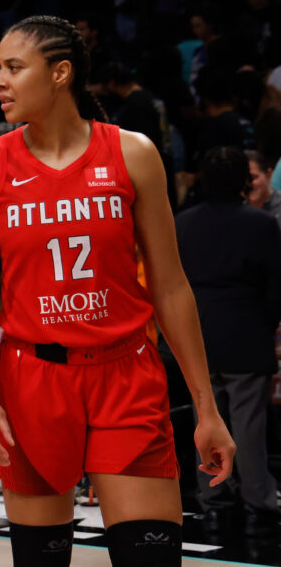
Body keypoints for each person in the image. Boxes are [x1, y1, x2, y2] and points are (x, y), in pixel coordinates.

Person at [0, 15, 236, 567]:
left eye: (13, 67)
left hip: (126, 373)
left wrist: (206, 408)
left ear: (61, 73)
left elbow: (172, 289)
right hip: (31, 378)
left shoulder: (133, 153)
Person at [176, 147, 281, 537]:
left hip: (195, 339)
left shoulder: (182, 223)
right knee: (249, 428)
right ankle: (259, 502)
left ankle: (215, 500)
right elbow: (275, 289)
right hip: (245, 336)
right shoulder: (261, 224)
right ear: (243, 180)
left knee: (203, 420)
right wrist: (264, 326)